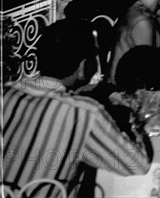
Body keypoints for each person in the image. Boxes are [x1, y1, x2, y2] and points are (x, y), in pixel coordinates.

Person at [2, 19, 151, 196]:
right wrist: (136, 122)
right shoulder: (84, 113)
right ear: (82, 67)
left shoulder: (6, 92)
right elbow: (137, 165)